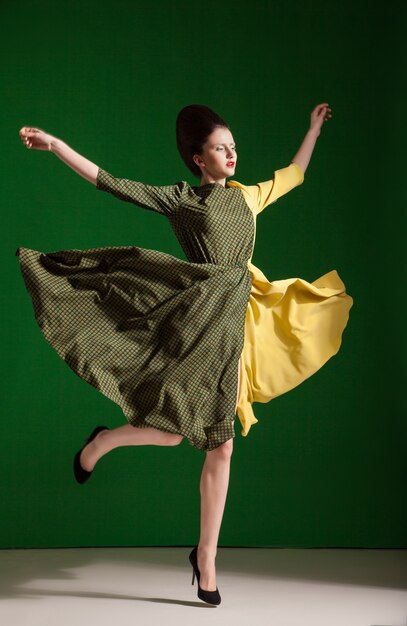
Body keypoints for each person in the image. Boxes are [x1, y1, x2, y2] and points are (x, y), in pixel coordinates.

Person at [16, 102, 353, 605]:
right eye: (221, 148)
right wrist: (57, 146)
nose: (232, 154)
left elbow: (295, 174)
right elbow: (110, 182)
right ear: (199, 159)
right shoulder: (182, 202)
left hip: (236, 328)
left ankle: (207, 559)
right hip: (193, 323)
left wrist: (312, 130)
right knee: (174, 435)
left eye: (233, 146)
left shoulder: (247, 197)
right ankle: (103, 441)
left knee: (221, 446)